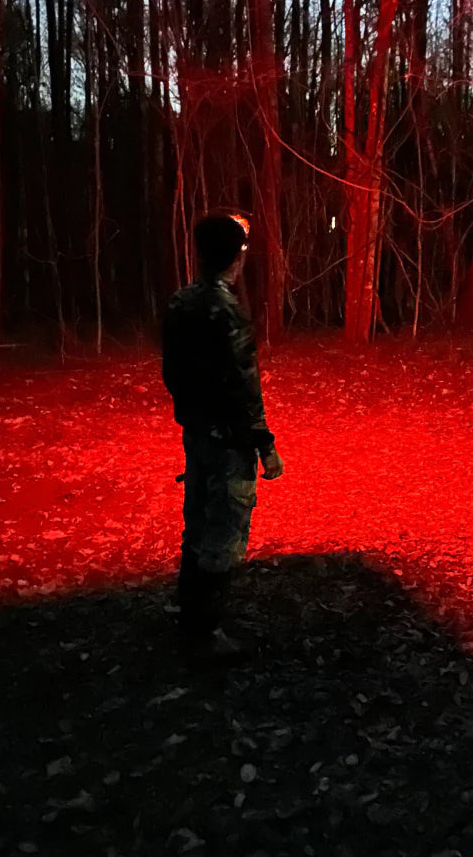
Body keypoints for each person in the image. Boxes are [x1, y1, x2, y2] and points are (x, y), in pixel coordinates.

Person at [161, 213, 284, 660]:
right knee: (225, 531)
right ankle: (205, 633)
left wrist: (193, 413)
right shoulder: (227, 310)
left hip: (196, 434)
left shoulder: (180, 303)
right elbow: (244, 386)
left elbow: (171, 373)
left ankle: (189, 617)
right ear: (237, 257)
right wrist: (265, 445)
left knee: (196, 522)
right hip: (229, 441)